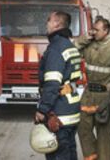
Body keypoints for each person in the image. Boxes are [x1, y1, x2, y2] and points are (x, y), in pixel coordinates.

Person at [74, 16, 110, 160]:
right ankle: (91, 157)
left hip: (106, 97)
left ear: (106, 30)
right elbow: (73, 50)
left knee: (103, 133)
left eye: (97, 30)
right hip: (89, 94)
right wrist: (85, 37)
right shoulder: (89, 45)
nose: (94, 32)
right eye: (93, 29)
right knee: (83, 127)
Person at [36, 10, 84, 160]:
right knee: (69, 151)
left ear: (56, 23)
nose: (47, 24)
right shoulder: (69, 45)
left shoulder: (56, 48)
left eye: (49, 20)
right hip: (71, 110)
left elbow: (52, 84)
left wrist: (42, 110)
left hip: (59, 112)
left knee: (58, 154)